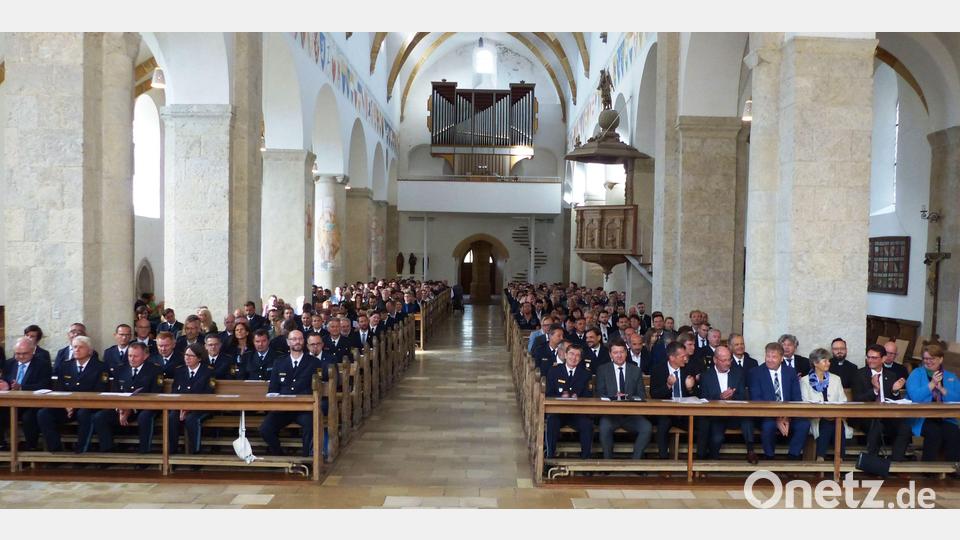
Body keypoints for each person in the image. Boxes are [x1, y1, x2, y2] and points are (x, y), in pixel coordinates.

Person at [37, 336, 108, 453]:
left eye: (81, 347)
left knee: (83, 413)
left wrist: (75, 404)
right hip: (66, 405)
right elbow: (59, 388)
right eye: (74, 347)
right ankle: (55, 449)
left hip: (89, 406)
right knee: (44, 413)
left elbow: (99, 390)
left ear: (90, 350)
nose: (77, 350)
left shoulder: (100, 367)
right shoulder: (65, 366)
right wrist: (66, 404)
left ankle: (81, 450)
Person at [93, 342, 164, 454]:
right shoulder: (120, 369)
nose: (132, 359)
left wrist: (131, 409)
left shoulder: (155, 370)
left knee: (144, 417)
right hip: (122, 407)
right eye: (130, 355)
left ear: (145, 356)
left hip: (146, 407)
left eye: (136, 356)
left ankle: (144, 453)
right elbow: (115, 393)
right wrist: (121, 409)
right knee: (99, 417)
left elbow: (155, 394)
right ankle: (107, 451)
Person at [259, 330, 321, 457]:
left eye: (300, 339)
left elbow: (317, 387)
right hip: (283, 408)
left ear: (304, 341)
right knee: (265, 428)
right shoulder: (279, 362)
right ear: (288, 342)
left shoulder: (313, 362)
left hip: (304, 408)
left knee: (311, 425)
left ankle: (307, 460)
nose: (297, 341)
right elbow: (273, 388)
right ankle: (280, 456)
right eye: (293, 339)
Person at [747, 342, 810, 460]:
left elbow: (796, 398)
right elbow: (757, 399)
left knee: (804, 424)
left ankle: (793, 457)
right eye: (768, 356)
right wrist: (777, 418)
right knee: (768, 425)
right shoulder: (755, 373)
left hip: (789, 414)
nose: (770, 360)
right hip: (766, 415)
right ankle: (769, 457)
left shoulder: (790, 372)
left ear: (782, 358)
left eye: (774, 357)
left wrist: (786, 417)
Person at [697, 345, 756, 463]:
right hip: (716, 416)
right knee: (716, 438)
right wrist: (720, 397)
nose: (728, 363)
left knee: (747, 420)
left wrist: (732, 396)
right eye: (724, 360)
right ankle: (713, 459)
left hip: (735, 414)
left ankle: (751, 451)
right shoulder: (706, 376)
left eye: (729, 359)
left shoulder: (738, 373)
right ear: (715, 360)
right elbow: (703, 398)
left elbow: (743, 396)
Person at [852, 344, 911, 461]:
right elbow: (858, 399)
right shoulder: (860, 374)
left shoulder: (891, 375)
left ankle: (896, 462)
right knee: (876, 426)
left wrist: (894, 391)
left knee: (905, 428)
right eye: (868, 357)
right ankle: (872, 462)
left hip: (887, 416)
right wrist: (874, 390)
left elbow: (896, 401)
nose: (870, 360)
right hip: (866, 416)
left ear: (883, 359)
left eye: (874, 358)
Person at [596, 341, 652, 459]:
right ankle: (608, 463)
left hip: (631, 414)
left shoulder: (635, 370)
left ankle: (635, 462)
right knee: (604, 427)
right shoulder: (603, 369)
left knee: (647, 427)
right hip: (610, 414)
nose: (619, 355)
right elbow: (599, 394)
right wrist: (614, 397)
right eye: (615, 352)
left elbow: (642, 395)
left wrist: (628, 398)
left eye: (621, 352)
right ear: (610, 354)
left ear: (626, 353)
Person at [906, 343, 960, 462]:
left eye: (932, 358)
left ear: (940, 359)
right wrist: (931, 384)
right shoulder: (916, 374)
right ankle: (928, 468)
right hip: (922, 417)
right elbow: (915, 397)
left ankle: (954, 467)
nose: (928, 361)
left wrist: (942, 389)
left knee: (953, 432)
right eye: (925, 358)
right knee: (934, 432)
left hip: (945, 417)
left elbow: (958, 398)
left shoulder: (950, 376)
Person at [800, 348, 852, 462]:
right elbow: (804, 403)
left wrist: (834, 413)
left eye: (828, 360)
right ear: (815, 363)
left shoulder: (836, 379)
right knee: (827, 423)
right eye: (825, 361)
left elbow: (843, 401)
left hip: (836, 416)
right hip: (816, 418)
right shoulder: (805, 381)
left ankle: (825, 457)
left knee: (837, 424)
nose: (828, 363)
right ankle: (836, 458)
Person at [0, 337, 52, 450]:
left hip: (33, 403)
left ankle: (31, 447)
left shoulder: (42, 364)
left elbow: (45, 385)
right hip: (12, 402)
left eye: (25, 354)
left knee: (28, 417)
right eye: (18, 353)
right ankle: (2, 444)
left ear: (33, 351)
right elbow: (5, 381)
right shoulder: (9, 363)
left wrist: (22, 387)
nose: (21, 357)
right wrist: (5, 385)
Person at [650, 341, 698, 458]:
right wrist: (668, 386)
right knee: (663, 425)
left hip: (685, 412)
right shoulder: (658, 370)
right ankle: (663, 459)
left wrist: (690, 388)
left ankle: (698, 459)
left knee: (702, 423)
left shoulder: (688, 369)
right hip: (666, 412)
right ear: (672, 357)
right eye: (682, 356)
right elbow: (654, 395)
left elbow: (698, 394)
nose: (686, 359)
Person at [545, 344, 593, 459]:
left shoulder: (585, 373)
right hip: (558, 412)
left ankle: (585, 459)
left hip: (576, 413)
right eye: (571, 354)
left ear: (580, 359)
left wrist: (578, 396)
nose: (574, 358)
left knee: (587, 425)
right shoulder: (554, 370)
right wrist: (560, 396)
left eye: (577, 355)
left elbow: (588, 395)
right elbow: (549, 393)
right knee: (551, 423)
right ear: (565, 355)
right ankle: (549, 457)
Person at [167, 344, 215, 454]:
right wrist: (181, 408)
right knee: (171, 417)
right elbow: (175, 391)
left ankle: (195, 453)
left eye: (191, 356)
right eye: (186, 355)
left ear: (199, 358)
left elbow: (208, 393)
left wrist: (188, 409)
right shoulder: (179, 370)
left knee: (192, 419)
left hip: (201, 407)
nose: (187, 358)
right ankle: (172, 452)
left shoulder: (208, 371)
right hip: (180, 407)